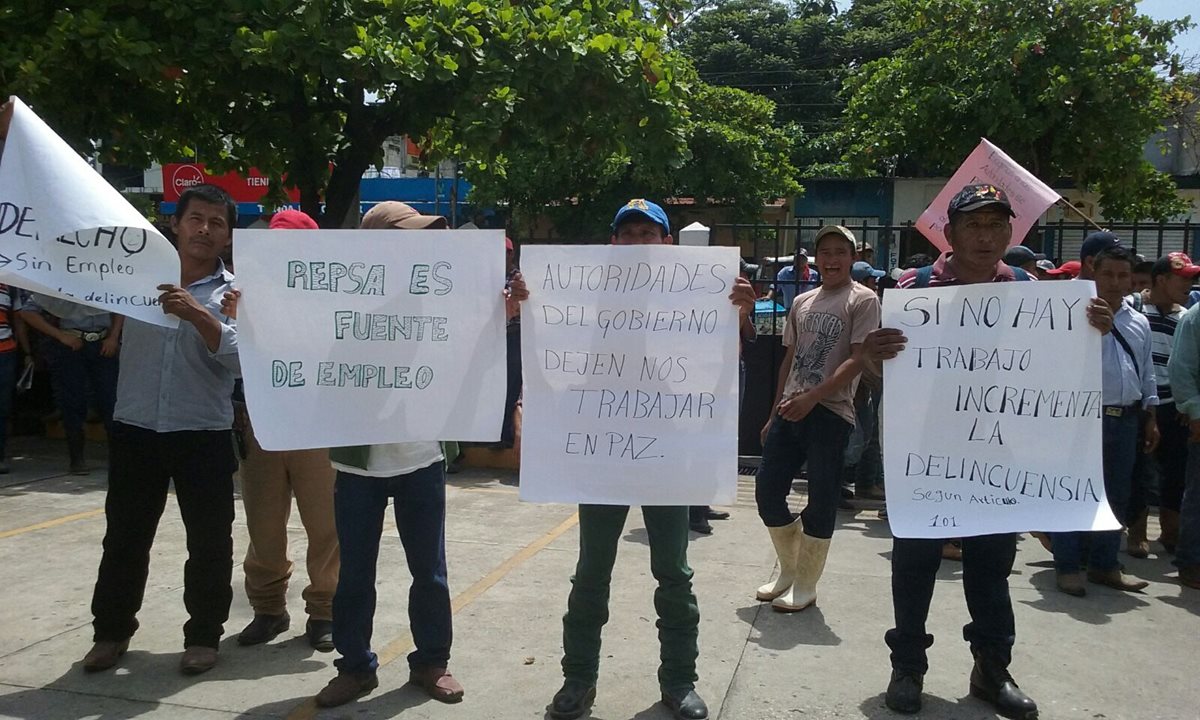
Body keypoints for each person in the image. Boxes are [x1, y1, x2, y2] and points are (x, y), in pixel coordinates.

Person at [868, 184, 1115, 719]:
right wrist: (873, 353)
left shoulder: (1033, 291)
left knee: (993, 566)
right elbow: (876, 377)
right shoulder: (915, 288)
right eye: (974, 225)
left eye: (996, 225)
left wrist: (1091, 331)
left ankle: (992, 670)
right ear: (951, 232)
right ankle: (907, 667)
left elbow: (1061, 373)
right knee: (914, 565)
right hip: (926, 458)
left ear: (1011, 231)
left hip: (997, 459)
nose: (986, 236)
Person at [543, 199, 755, 720]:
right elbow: (550, 338)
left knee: (675, 572)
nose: (638, 241)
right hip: (604, 451)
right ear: (614, 242)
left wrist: (740, 311)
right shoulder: (584, 293)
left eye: (647, 232)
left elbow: (722, 361)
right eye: (629, 232)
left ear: (666, 243)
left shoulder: (694, 293)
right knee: (590, 573)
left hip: (668, 453)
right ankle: (578, 680)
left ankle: (680, 682)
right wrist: (528, 301)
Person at [314, 201, 523, 707]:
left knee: (428, 571)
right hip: (357, 463)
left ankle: (432, 661)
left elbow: (476, 346)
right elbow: (296, 345)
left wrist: (506, 314)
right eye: (409, 236)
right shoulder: (336, 300)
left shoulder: (445, 296)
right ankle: (355, 666)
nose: (421, 246)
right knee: (355, 575)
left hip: (422, 458)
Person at [81, 183, 241, 675]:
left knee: (210, 542)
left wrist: (197, 316)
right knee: (125, 538)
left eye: (217, 223)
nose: (205, 230)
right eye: (196, 219)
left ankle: (203, 638)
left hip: (203, 432)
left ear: (228, 235)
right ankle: (110, 634)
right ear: (176, 223)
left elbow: (241, 360)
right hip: (137, 428)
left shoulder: (234, 293)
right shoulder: (133, 277)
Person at [753, 226, 880, 612]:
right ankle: (790, 569)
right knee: (767, 489)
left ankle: (806, 583)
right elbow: (789, 360)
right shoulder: (803, 301)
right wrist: (774, 411)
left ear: (852, 257)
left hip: (830, 409)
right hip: (791, 407)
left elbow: (859, 358)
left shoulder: (863, 299)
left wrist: (814, 397)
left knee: (822, 496)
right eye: (825, 251)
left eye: (841, 251)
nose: (832, 259)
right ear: (814, 257)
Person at [232, 209, 339, 652]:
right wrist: (234, 318)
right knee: (263, 522)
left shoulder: (334, 294)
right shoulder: (240, 292)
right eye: (276, 243)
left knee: (326, 525)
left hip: (318, 422)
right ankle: (269, 609)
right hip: (259, 421)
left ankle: (325, 612)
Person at [1051, 240, 1157, 596]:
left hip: (1125, 418)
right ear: (1092, 272)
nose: (1115, 281)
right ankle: (1067, 566)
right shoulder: (1071, 316)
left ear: (1131, 280)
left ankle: (1105, 564)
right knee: (1071, 493)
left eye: (1122, 275)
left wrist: (1150, 414)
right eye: (1108, 273)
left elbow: (1146, 371)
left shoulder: (1139, 320)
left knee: (1116, 495)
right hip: (1081, 419)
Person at [1124, 253, 1196, 556]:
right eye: (1183, 278)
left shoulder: (1187, 315)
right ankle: (1136, 533)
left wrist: (1189, 404)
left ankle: (1171, 532)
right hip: (1142, 404)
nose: (1190, 284)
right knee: (1138, 471)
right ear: (1162, 279)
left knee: (1176, 472)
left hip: (1176, 407)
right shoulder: (1133, 307)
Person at [17, 296, 122, 474]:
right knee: (72, 401)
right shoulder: (62, 280)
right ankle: (77, 460)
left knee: (111, 401)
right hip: (71, 342)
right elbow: (27, 311)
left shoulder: (106, 276)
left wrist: (113, 336)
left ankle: (119, 461)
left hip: (103, 341)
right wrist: (60, 336)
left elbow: (121, 306)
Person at [0, 282, 31, 474]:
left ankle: (0, 456)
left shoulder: (10, 286)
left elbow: (19, 319)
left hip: (5, 353)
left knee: (2, 407)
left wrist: (27, 353)